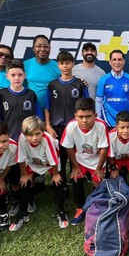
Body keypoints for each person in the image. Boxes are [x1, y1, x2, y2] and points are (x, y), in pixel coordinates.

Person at [45, 51, 89, 200]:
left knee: (76, 157)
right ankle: (62, 186)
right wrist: (48, 126)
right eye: (62, 63)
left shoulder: (80, 84)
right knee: (61, 159)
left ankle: (77, 183)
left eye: (68, 63)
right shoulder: (52, 85)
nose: (65, 66)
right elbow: (47, 107)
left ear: (73, 64)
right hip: (57, 128)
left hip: (76, 128)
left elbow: (87, 107)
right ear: (58, 65)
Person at [60, 97, 109, 225]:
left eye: (88, 116)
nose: (84, 120)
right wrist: (75, 167)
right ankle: (80, 208)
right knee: (76, 178)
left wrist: (99, 168)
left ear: (95, 115)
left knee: (98, 181)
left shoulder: (101, 126)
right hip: (80, 159)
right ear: (75, 116)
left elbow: (104, 149)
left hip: (96, 160)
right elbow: (69, 148)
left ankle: (94, 206)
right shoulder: (71, 126)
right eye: (80, 117)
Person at [17, 116, 64, 228]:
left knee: (58, 182)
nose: (34, 138)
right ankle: (23, 211)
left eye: (38, 134)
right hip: (33, 163)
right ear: (25, 134)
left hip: (50, 163)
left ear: (43, 131)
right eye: (30, 135)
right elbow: (21, 157)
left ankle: (61, 210)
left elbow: (53, 159)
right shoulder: (22, 138)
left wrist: (56, 174)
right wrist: (24, 174)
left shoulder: (47, 139)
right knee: (24, 181)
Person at [0, 59, 42, 142]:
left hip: (28, 138)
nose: (16, 78)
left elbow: (38, 118)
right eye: (13, 75)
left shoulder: (31, 94)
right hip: (9, 138)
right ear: (7, 76)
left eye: (20, 75)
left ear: (25, 75)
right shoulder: (1, 94)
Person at [95, 50, 129, 127]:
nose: (117, 62)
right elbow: (98, 101)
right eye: (114, 59)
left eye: (119, 59)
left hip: (126, 122)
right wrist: (98, 119)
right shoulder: (103, 79)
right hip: (107, 121)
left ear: (124, 61)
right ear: (110, 62)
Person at [23, 34, 60, 112]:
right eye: (39, 46)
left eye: (46, 46)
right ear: (33, 48)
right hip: (30, 109)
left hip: (52, 110)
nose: (42, 49)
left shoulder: (58, 66)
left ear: (50, 48)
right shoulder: (25, 65)